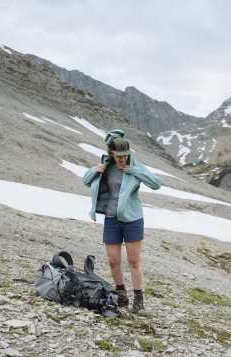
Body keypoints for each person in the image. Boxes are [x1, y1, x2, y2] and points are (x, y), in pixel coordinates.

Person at [83, 129, 161, 315]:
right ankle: (122, 295)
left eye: (125, 156)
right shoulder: (106, 165)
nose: (122, 160)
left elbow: (156, 183)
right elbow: (86, 181)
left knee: (134, 261)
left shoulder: (134, 165)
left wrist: (134, 170)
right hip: (111, 218)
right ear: (111, 153)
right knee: (113, 261)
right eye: (118, 156)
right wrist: (96, 169)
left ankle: (139, 300)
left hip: (132, 219)